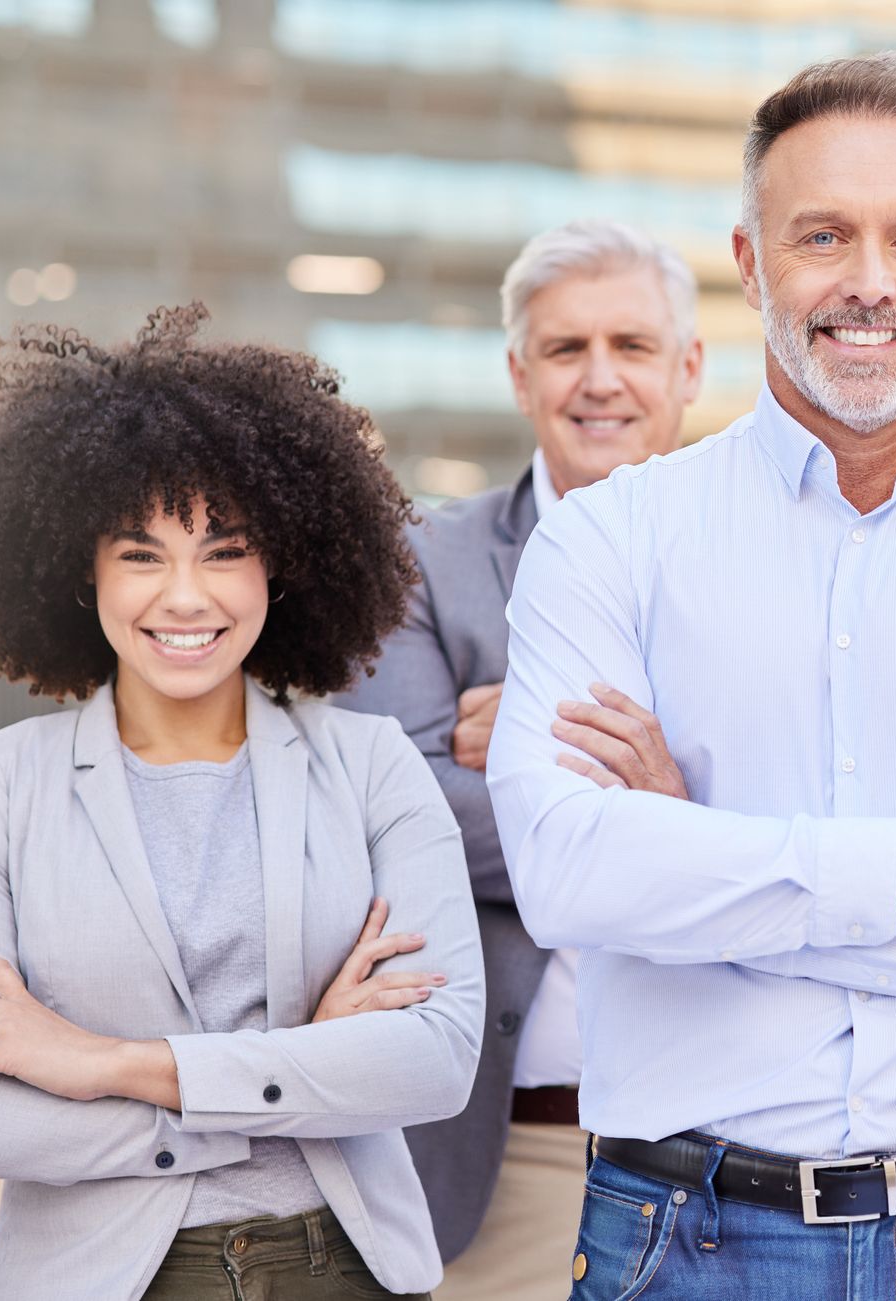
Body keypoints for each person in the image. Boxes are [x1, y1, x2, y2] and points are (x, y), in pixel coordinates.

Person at [486, 51, 896, 1299]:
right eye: (821, 236)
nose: (868, 283)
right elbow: (573, 879)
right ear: (749, 263)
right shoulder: (604, 542)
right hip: (684, 1235)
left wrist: (702, 859)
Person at [0, 306, 484, 1300]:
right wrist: (304, 1064)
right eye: (141, 553)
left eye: (224, 549)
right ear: (79, 572)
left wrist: (100, 1061)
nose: (185, 595)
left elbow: (432, 1064)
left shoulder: (373, 764)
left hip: (341, 1267)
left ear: (283, 563)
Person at [331, 218, 703, 1297]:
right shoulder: (418, 562)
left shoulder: (789, 565)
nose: (600, 380)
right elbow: (400, 818)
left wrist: (530, 744)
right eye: (565, 348)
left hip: (736, 1156)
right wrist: (687, 804)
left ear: (687, 367)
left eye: (631, 345)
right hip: (508, 1164)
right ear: (518, 371)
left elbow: (826, 805)